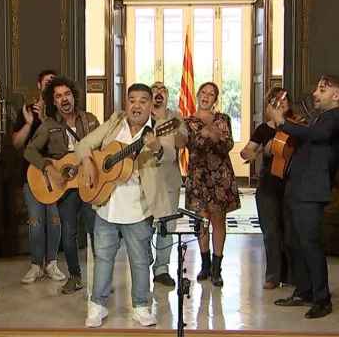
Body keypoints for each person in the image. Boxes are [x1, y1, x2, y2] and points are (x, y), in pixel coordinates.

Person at [77, 83, 177, 328]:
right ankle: (97, 306)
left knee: (140, 260)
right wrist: (88, 162)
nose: (137, 105)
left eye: (143, 101)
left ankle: (142, 307)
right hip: (106, 205)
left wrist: (156, 148)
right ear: (126, 103)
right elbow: (83, 145)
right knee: (103, 258)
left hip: (138, 208)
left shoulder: (159, 129)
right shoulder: (114, 123)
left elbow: (170, 156)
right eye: (132, 100)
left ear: (151, 105)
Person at [272, 75, 339, 319]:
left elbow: (316, 135)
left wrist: (282, 122)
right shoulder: (320, 118)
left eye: (322, 90)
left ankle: (322, 298)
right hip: (298, 187)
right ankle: (304, 290)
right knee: (295, 242)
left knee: (310, 245)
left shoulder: (336, 118)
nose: (316, 93)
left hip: (312, 190)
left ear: (336, 96)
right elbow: (307, 135)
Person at [24, 76, 100, 294]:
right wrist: (48, 168)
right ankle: (75, 277)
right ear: (53, 102)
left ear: (73, 96)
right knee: (68, 234)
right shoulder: (49, 125)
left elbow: (102, 147)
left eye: (67, 94)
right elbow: (29, 151)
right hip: (66, 190)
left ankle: (100, 279)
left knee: (97, 232)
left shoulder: (90, 120)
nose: (64, 99)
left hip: (89, 185)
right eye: (58, 96)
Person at [184, 82, 240, 287]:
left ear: (215, 99)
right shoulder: (188, 121)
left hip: (219, 177)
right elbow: (190, 145)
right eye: (203, 93)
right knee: (201, 221)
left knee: (218, 220)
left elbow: (228, 144)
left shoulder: (222, 119)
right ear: (198, 95)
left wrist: (216, 137)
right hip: (198, 176)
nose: (206, 96)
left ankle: (217, 268)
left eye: (211, 94)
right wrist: (203, 135)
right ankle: (205, 264)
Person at [13, 70, 65, 284]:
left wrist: (45, 118)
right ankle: (36, 265)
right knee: (35, 220)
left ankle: (51, 263)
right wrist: (28, 123)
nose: (50, 85)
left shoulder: (60, 112)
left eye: (54, 82)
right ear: (39, 85)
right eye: (47, 82)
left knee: (54, 219)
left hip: (55, 174)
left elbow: (60, 145)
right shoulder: (26, 110)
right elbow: (17, 144)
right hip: (31, 173)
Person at [240, 87, 294, 289]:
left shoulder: (295, 126)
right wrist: (259, 150)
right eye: (276, 100)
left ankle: (290, 276)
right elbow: (246, 152)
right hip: (269, 185)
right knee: (271, 231)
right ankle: (272, 275)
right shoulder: (263, 129)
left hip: (291, 184)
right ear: (270, 105)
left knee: (290, 231)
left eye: (285, 100)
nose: (281, 103)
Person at [148, 81, 188, 287]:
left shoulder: (175, 117)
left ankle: (161, 269)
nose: (158, 93)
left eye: (162, 90)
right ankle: (143, 261)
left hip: (169, 177)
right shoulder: (143, 114)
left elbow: (182, 143)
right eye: (154, 90)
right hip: (145, 177)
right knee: (144, 223)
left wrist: (167, 121)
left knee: (166, 224)